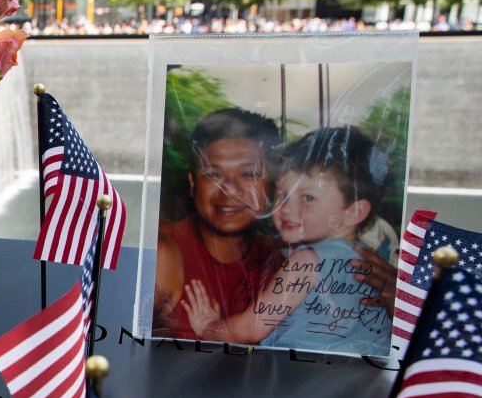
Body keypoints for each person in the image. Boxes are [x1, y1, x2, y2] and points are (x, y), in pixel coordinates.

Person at [182, 127, 393, 355]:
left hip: (299, 376)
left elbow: (251, 329)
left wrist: (209, 327)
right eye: (283, 195)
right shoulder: (369, 259)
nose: (286, 208)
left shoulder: (305, 261)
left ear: (354, 212)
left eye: (308, 198)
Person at [154, 108, 283, 339]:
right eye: (213, 175)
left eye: (249, 174)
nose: (230, 190)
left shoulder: (281, 259)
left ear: (271, 185)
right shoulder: (165, 253)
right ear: (193, 183)